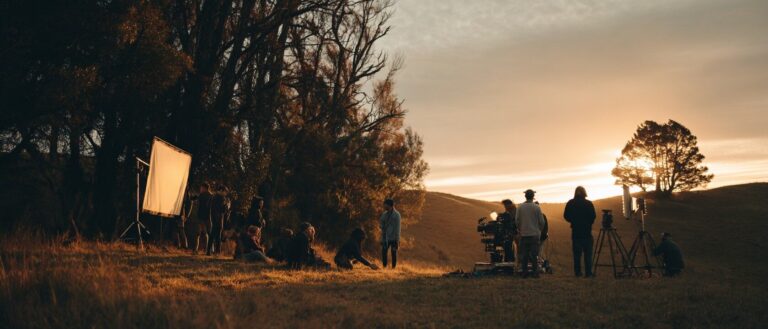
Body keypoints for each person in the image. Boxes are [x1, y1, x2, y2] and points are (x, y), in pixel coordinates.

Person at [563, 186, 597, 277]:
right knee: (588, 255)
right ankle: (588, 273)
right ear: (584, 193)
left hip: (576, 232)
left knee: (577, 255)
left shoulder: (570, 203)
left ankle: (578, 273)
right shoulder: (589, 203)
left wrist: (573, 221)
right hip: (587, 232)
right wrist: (588, 223)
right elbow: (593, 216)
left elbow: (566, 216)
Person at [515, 189, 546, 278]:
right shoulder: (537, 207)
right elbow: (542, 222)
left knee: (524, 255)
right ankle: (535, 273)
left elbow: (517, 221)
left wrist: (520, 230)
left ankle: (524, 273)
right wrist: (539, 230)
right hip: (534, 234)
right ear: (533, 197)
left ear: (525, 196)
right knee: (534, 255)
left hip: (524, 234)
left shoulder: (520, 207)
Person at [207, 184, 230, 256]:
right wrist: (227, 205)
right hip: (219, 219)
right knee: (218, 236)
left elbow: (208, 206)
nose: (225, 194)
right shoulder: (221, 198)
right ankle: (217, 252)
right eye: (225, 192)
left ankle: (209, 251)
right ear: (221, 190)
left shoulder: (213, 197)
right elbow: (223, 210)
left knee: (212, 235)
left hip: (213, 218)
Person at [190, 182, 213, 255]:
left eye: (201, 188)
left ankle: (195, 250)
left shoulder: (202, 195)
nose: (200, 189)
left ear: (204, 188)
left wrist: (191, 197)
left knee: (198, 233)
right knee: (207, 234)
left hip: (202, 217)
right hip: (208, 217)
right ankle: (209, 250)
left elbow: (193, 198)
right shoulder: (211, 196)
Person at [380, 198, 401, 269]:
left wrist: (397, 240)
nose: (384, 206)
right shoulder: (384, 214)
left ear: (390, 205)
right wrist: (382, 236)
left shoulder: (397, 215)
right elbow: (381, 224)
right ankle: (384, 266)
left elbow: (398, 228)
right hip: (386, 237)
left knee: (393, 253)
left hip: (394, 238)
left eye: (385, 205)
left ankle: (393, 268)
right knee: (384, 252)